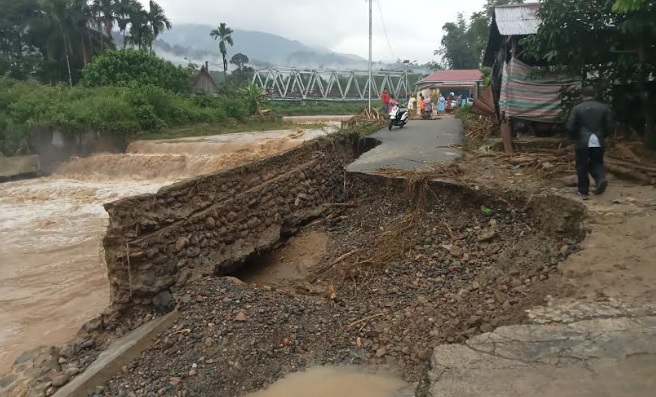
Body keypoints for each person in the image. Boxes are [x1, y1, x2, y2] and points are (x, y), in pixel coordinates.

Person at [565, 86, 613, 198]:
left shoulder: (577, 108)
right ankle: (600, 179)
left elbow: (570, 126)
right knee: (597, 162)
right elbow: (610, 126)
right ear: (595, 95)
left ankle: (583, 191)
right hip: (599, 139)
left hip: (582, 141)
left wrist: (574, 137)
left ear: (582, 96)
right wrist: (603, 136)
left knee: (581, 165)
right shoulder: (605, 108)